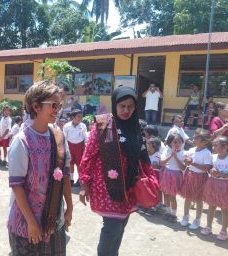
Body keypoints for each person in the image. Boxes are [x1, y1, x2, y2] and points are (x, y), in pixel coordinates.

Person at [78, 86, 155, 256]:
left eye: (130, 106)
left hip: (129, 187)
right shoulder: (102, 124)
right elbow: (88, 155)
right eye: (122, 106)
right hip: (107, 187)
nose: (126, 110)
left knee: (120, 227)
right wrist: (84, 182)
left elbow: (142, 157)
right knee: (112, 228)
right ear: (115, 105)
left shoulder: (135, 127)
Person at [8, 81, 72, 255]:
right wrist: (31, 223)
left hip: (54, 221)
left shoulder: (59, 137)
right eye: (53, 105)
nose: (58, 109)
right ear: (36, 106)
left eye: (59, 105)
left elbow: (65, 174)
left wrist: (70, 207)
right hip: (27, 224)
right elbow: (17, 186)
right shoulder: (22, 141)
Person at [180, 129, 212, 230]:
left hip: (201, 177)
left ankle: (197, 219)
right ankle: (186, 216)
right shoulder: (191, 150)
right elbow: (186, 162)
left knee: (198, 199)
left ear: (205, 142)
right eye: (195, 137)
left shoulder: (207, 153)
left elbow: (206, 168)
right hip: (190, 175)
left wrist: (191, 163)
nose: (194, 139)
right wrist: (186, 160)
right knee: (188, 197)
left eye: (197, 138)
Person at [201, 136, 228, 240]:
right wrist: (211, 170)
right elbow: (210, 168)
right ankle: (208, 226)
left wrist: (220, 174)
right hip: (213, 184)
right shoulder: (213, 156)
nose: (213, 147)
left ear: (225, 146)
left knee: (224, 209)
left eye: (216, 145)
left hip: (225, 186)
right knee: (211, 206)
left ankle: (224, 230)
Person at [159, 133, 186, 222]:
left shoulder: (183, 153)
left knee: (172, 196)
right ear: (170, 143)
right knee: (166, 194)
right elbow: (162, 163)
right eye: (175, 142)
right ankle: (168, 212)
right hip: (166, 173)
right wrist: (171, 155)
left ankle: (173, 215)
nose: (177, 144)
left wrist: (176, 157)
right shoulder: (166, 150)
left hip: (176, 175)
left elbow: (183, 168)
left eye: (180, 142)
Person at [63, 109, 87, 187]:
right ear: (73, 117)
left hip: (80, 147)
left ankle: (80, 180)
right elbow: (64, 138)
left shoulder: (83, 126)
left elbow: (85, 137)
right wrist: (65, 148)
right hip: (70, 146)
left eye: (81, 116)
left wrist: (86, 147)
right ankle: (71, 179)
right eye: (78, 116)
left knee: (79, 164)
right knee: (70, 164)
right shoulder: (67, 126)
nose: (80, 118)